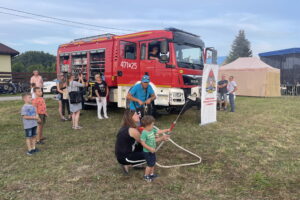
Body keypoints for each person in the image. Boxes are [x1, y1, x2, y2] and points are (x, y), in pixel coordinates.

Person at [140, 115, 170, 182]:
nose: (153, 126)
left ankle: (151, 174)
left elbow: (159, 131)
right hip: (147, 152)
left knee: (153, 163)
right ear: (147, 125)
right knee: (149, 164)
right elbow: (142, 143)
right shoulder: (144, 133)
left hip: (152, 151)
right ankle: (146, 176)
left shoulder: (152, 130)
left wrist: (167, 130)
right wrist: (149, 148)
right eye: (152, 124)